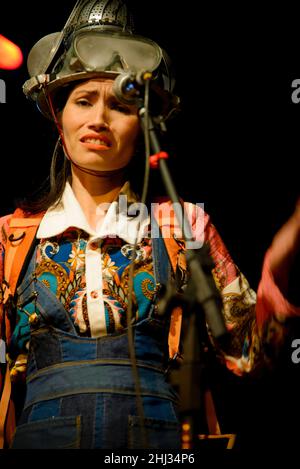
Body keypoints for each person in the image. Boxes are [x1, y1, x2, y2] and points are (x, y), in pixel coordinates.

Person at [0, 0, 295, 450]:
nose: (99, 119)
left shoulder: (182, 226)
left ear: (143, 124)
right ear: (58, 115)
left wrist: (282, 270)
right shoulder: (12, 238)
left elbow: (251, 358)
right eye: (83, 100)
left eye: (119, 105)